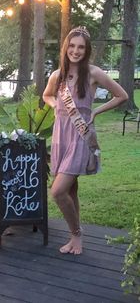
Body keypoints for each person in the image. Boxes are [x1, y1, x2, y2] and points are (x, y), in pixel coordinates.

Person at [42, 26, 128, 255]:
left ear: (86, 49)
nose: (75, 51)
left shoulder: (93, 73)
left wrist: (96, 112)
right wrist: (56, 107)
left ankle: (76, 234)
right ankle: (75, 236)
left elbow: (122, 95)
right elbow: (47, 95)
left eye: (80, 47)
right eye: (72, 46)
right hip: (61, 136)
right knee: (71, 191)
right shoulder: (57, 75)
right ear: (65, 47)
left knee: (58, 191)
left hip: (80, 136)